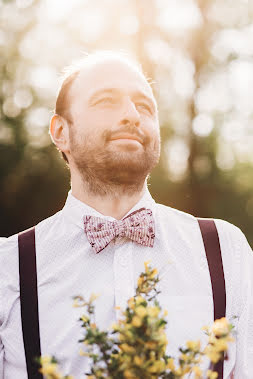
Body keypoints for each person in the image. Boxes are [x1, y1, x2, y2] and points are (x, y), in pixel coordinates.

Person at [0, 50, 252, 379]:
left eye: (144, 106)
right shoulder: (8, 266)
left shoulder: (225, 251)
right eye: (107, 101)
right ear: (61, 132)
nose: (132, 114)